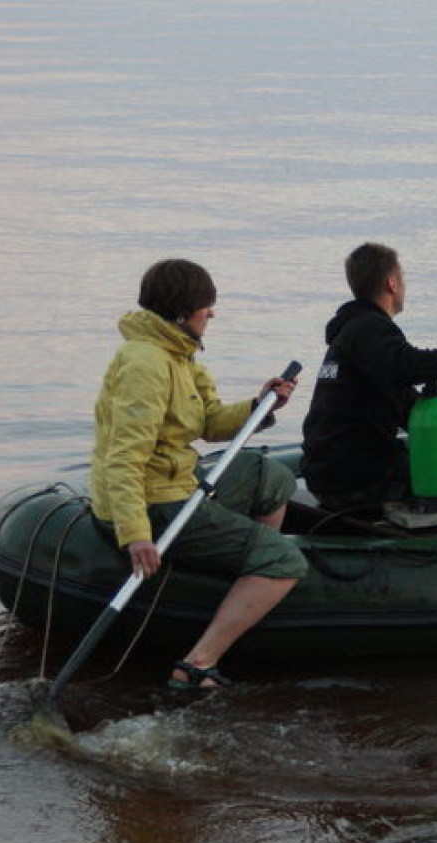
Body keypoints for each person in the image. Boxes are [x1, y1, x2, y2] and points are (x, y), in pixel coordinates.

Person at [90, 258, 308, 690]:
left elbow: (208, 421)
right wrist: (136, 533)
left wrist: (259, 405)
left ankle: (241, 579)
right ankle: (196, 664)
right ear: (182, 309)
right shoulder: (147, 364)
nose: (212, 313)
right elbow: (124, 456)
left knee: (272, 477)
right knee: (285, 558)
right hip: (155, 504)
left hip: (179, 481)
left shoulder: (180, 353)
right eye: (206, 306)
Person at [300, 243, 437, 514]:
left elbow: (399, 395)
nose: (405, 286)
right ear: (392, 284)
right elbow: (406, 364)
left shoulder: (353, 333)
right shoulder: (369, 328)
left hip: (332, 470)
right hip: (357, 477)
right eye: (403, 279)